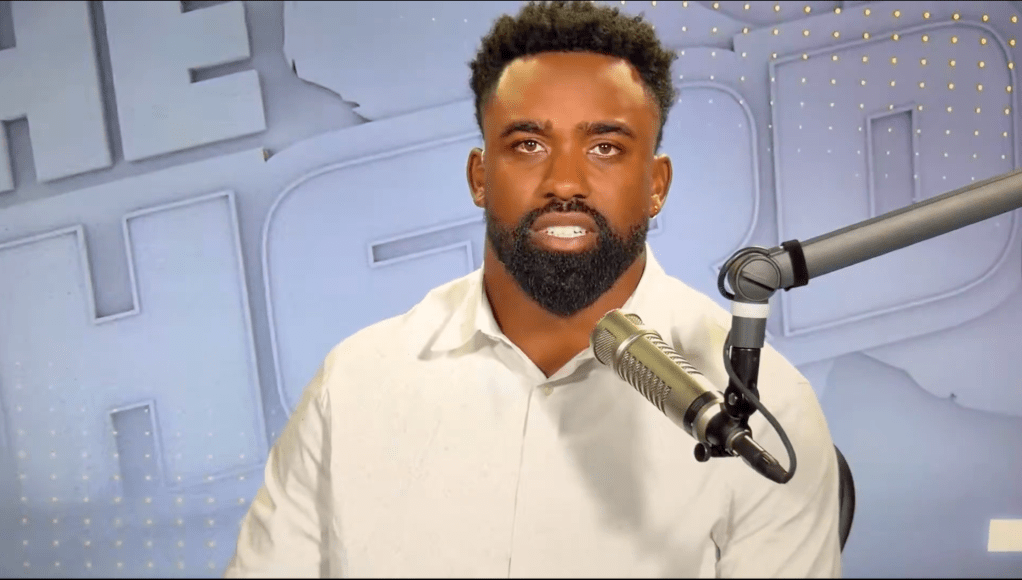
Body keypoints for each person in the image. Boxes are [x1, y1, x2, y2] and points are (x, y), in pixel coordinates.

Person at [224, 1, 842, 577]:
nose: (564, 181)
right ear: (479, 177)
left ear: (656, 185)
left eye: (605, 147)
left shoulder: (760, 411)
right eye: (528, 144)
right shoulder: (357, 384)